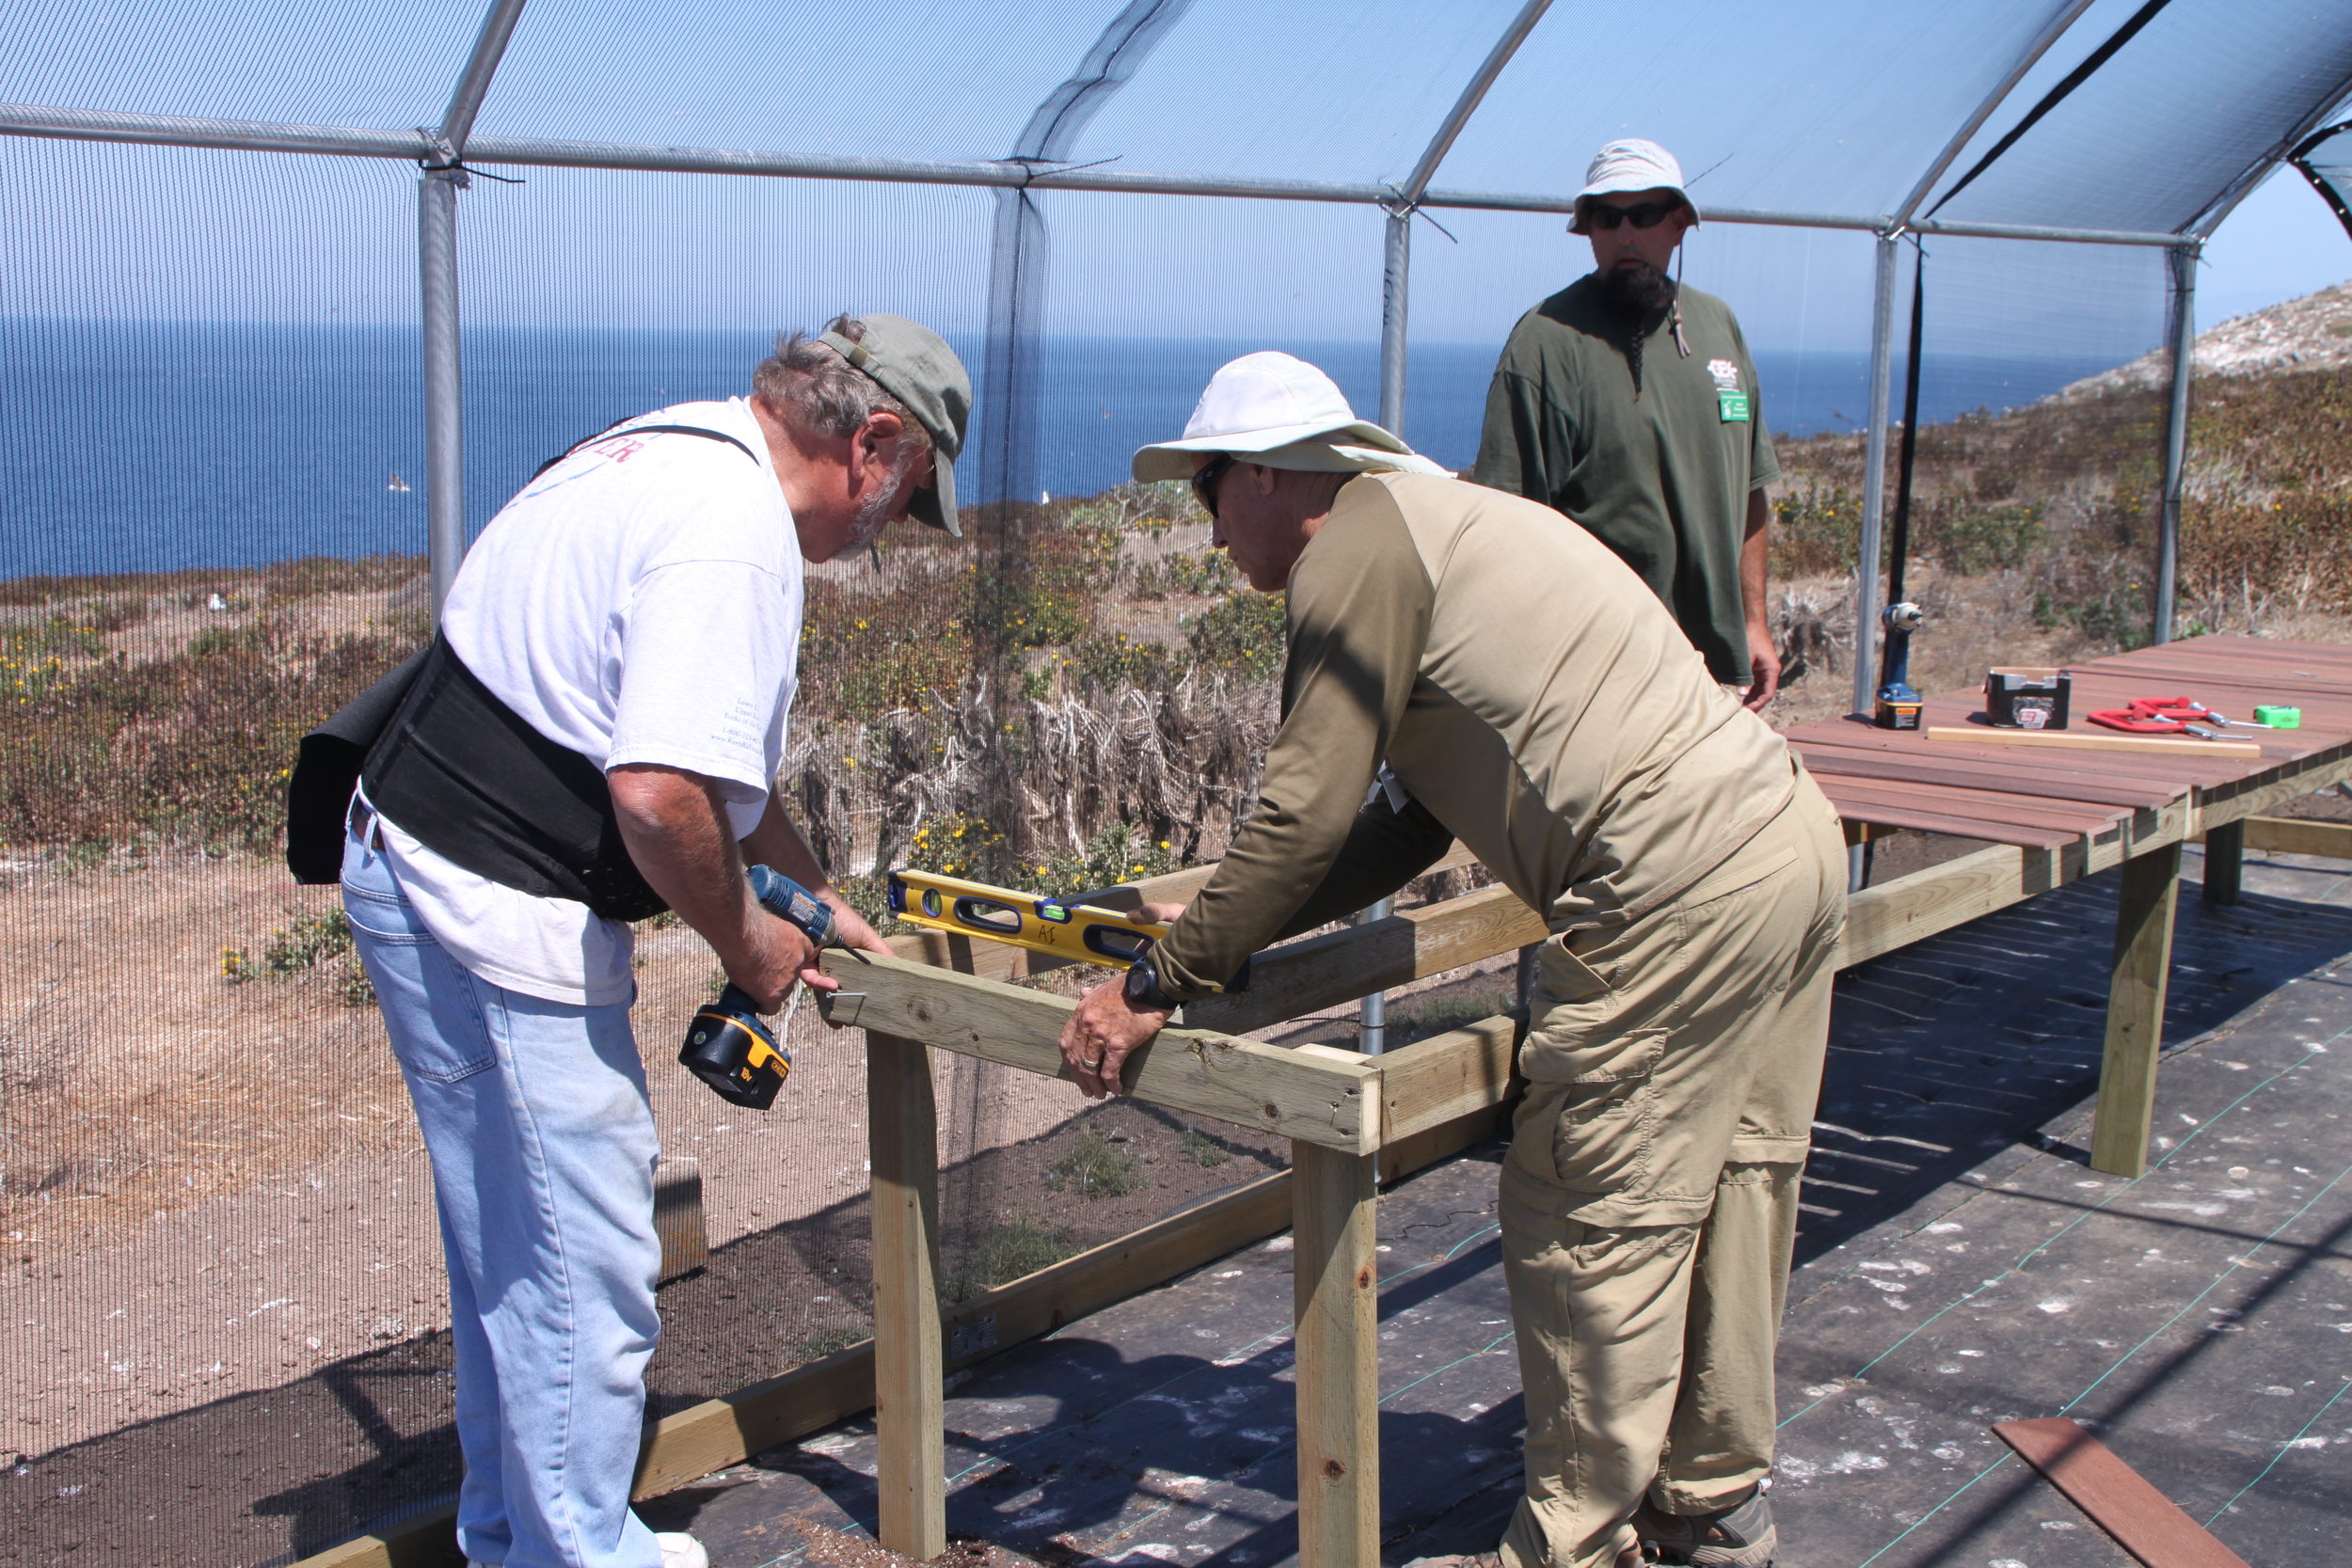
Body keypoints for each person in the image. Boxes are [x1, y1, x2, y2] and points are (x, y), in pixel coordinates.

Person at [1058, 351, 1843, 1568]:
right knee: (1736, 1177)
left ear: (1271, 473)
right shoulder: (1443, 519)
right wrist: (1229, 937)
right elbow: (1402, 821)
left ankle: (1567, 1548)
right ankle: (1711, 1503)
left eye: (1207, 491)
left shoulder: (1353, 550)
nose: (1209, 533)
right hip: (1782, 831)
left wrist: (1157, 979)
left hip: (1675, 879)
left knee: (1594, 1208)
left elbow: (1301, 816)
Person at [337, 315, 971, 1568]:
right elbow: (659, 794)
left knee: (509, 1246)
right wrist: (748, 941)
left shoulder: (671, 444)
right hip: (493, 897)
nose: (884, 536)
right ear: (874, 440)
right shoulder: (733, 540)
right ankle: (584, 1549)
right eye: (904, 504)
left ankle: (514, 1531)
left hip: (404, 845)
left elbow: (715, 783)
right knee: (588, 1247)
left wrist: (810, 901)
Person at [1471, 138, 1785, 713]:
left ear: (1681, 223)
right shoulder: (1545, 342)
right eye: (1607, 217)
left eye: (1644, 214)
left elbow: (1749, 491)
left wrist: (1753, 624)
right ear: (1587, 229)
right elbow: (1504, 525)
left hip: (1717, 677)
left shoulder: (1719, 327)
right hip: (1601, 679)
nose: (1626, 234)